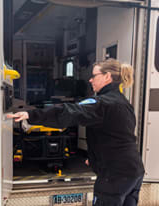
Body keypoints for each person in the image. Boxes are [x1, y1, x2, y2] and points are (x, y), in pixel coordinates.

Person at [7, 58, 145, 206]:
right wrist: (94, 158)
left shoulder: (102, 103)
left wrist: (31, 115)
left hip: (114, 174)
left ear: (107, 76)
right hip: (134, 170)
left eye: (94, 76)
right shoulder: (124, 103)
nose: (90, 80)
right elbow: (116, 137)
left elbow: (70, 111)